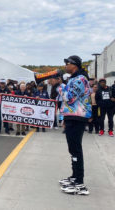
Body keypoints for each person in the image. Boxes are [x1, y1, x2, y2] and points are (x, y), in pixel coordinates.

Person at [58, 55, 91, 195]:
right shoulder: (74, 79)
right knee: (72, 149)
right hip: (72, 116)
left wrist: (59, 85)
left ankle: (80, 183)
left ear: (75, 65)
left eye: (68, 63)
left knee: (76, 148)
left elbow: (69, 98)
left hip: (78, 117)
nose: (65, 65)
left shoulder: (81, 79)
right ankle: (74, 176)